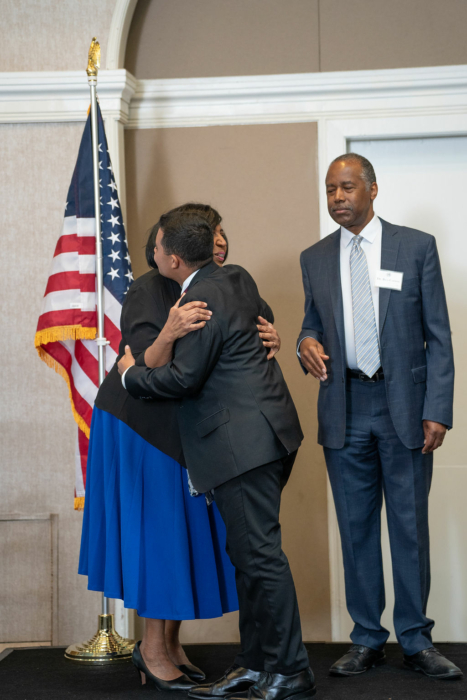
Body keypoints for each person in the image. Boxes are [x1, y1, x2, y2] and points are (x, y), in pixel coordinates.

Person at [79, 203, 281, 691]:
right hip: (142, 427)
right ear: (173, 250)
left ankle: (169, 644)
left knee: (185, 531)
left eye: (221, 232)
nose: (220, 240)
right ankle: (151, 650)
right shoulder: (148, 290)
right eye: (211, 232)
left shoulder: (228, 282)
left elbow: (254, 333)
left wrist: (273, 336)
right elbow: (142, 365)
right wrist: (170, 330)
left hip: (191, 430)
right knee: (161, 533)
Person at [118, 210, 316, 700]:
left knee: (260, 557)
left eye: (158, 246)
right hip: (269, 436)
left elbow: (184, 378)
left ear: (173, 259)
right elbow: (252, 324)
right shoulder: (236, 277)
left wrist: (129, 375)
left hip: (241, 444)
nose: (153, 252)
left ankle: (290, 670)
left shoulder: (200, 298)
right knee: (249, 555)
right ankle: (255, 663)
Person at [297, 153, 462, 681]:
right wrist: (305, 342)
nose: (337, 198)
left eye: (347, 187)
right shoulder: (314, 257)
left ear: (372, 189)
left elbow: (439, 336)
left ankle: (416, 640)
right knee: (356, 528)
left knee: (409, 528)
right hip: (344, 406)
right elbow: (311, 322)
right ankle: (367, 638)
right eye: (330, 189)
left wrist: (437, 409)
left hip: (405, 407)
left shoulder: (415, 247)